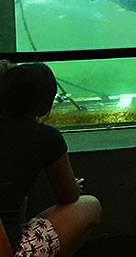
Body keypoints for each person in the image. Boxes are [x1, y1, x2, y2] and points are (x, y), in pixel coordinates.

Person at [0, 62, 102, 257]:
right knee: (90, 205)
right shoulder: (46, 136)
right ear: (44, 104)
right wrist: (74, 186)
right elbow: (69, 196)